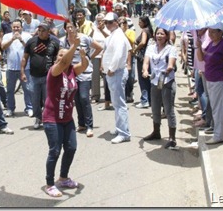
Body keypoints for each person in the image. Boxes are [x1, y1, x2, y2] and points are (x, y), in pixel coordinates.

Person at [42, 33, 89, 198]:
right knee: (55, 150)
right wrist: (73, 46)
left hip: (67, 119)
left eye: (66, 54)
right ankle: (49, 184)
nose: (64, 57)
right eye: (61, 55)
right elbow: (63, 62)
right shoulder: (54, 71)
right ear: (56, 58)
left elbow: (84, 66)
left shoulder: (72, 71)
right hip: (52, 119)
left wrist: (83, 56)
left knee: (71, 147)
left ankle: (63, 178)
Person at [196, 22, 223, 144]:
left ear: (221, 32)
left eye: (214, 31)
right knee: (219, 107)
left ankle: (218, 134)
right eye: (210, 31)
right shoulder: (211, 43)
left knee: (217, 108)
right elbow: (201, 58)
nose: (211, 33)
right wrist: (198, 46)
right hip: (212, 79)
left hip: (220, 80)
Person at [59, 21, 102, 137]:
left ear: (77, 28)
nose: (71, 29)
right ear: (65, 29)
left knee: (84, 97)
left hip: (84, 72)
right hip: (71, 72)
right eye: (68, 27)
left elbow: (99, 47)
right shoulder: (63, 41)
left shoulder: (84, 39)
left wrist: (88, 57)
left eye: (73, 27)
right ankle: (81, 123)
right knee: (76, 99)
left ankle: (89, 126)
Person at [142, 27, 178, 149]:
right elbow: (146, 62)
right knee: (155, 108)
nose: (159, 36)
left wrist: (169, 68)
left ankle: (172, 138)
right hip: (154, 81)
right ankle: (156, 132)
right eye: (158, 33)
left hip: (167, 81)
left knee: (168, 110)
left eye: (162, 34)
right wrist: (145, 70)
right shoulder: (151, 47)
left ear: (167, 36)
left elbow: (171, 63)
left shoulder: (171, 49)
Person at [21, 22, 60, 129]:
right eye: (39, 30)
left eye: (43, 31)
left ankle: (48, 118)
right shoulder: (31, 41)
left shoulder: (54, 41)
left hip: (49, 76)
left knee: (48, 99)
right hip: (33, 76)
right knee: (34, 99)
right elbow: (25, 57)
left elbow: (60, 55)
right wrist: (22, 72)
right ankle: (38, 117)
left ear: (48, 32)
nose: (41, 33)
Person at [101, 12, 131, 144]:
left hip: (116, 72)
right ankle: (120, 128)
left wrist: (111, 69)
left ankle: (124, 133)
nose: (107, 24)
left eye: (109, 22)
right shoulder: (114, 35)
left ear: (116, 22)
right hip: (113, 73)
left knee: (119, 104)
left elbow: (118, 54)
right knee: (116, 103)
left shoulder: (118, 35)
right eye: (105, 22)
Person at [1, 19, 33, 117]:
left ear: (21, 27)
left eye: (18, 27)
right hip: (11, 68)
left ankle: (29, 108)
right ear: (11, 27)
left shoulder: (27, 36)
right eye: (14, 27)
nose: (16, 29)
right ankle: (10, 108)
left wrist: (21, 40)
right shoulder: (7, 36)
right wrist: (12, 39)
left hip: (25, 68)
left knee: (27, 89)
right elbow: (3, 47)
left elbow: (31, 49)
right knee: (10, 90)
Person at [133, 16, 153, 108]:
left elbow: (143, 42)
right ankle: (149, 99)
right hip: (148, 56)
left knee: (143, 79)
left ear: (144, 23)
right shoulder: (150, 30)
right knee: (148, 79)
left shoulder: (144, 31)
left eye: (140, 22)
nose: (138, 24)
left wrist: (135, 49)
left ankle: (145, 100)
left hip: (142, 57)